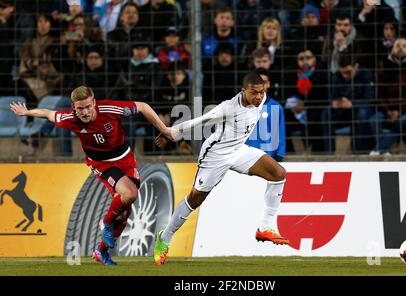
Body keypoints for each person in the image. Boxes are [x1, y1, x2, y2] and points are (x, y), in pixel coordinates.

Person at [9, 86, 174, 265]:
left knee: (125, 213)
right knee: (130, 194)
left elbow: (142, 106)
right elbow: (48, 113)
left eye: (88, 106)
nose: (86, 112)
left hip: (126, 159)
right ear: (74, 107)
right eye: (80, 108)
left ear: (94, 102)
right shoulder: (70, 119)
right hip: (102, 164)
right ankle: (106, 222)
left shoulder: (109, 109)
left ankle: (101, 251)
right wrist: (27, 113)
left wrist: (164, 130)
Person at [152, 72, 289, 265]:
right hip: (216, 155)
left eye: (261, 92)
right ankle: (164, 238)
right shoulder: (228, 108)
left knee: (278, 174)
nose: (259, 97)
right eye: (254, 93)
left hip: (239, 150)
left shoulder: (262, 98)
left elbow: (259, 97)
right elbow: (199, 121)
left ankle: (265, 227)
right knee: (195, 198)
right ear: (244, 91)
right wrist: (171, 133)